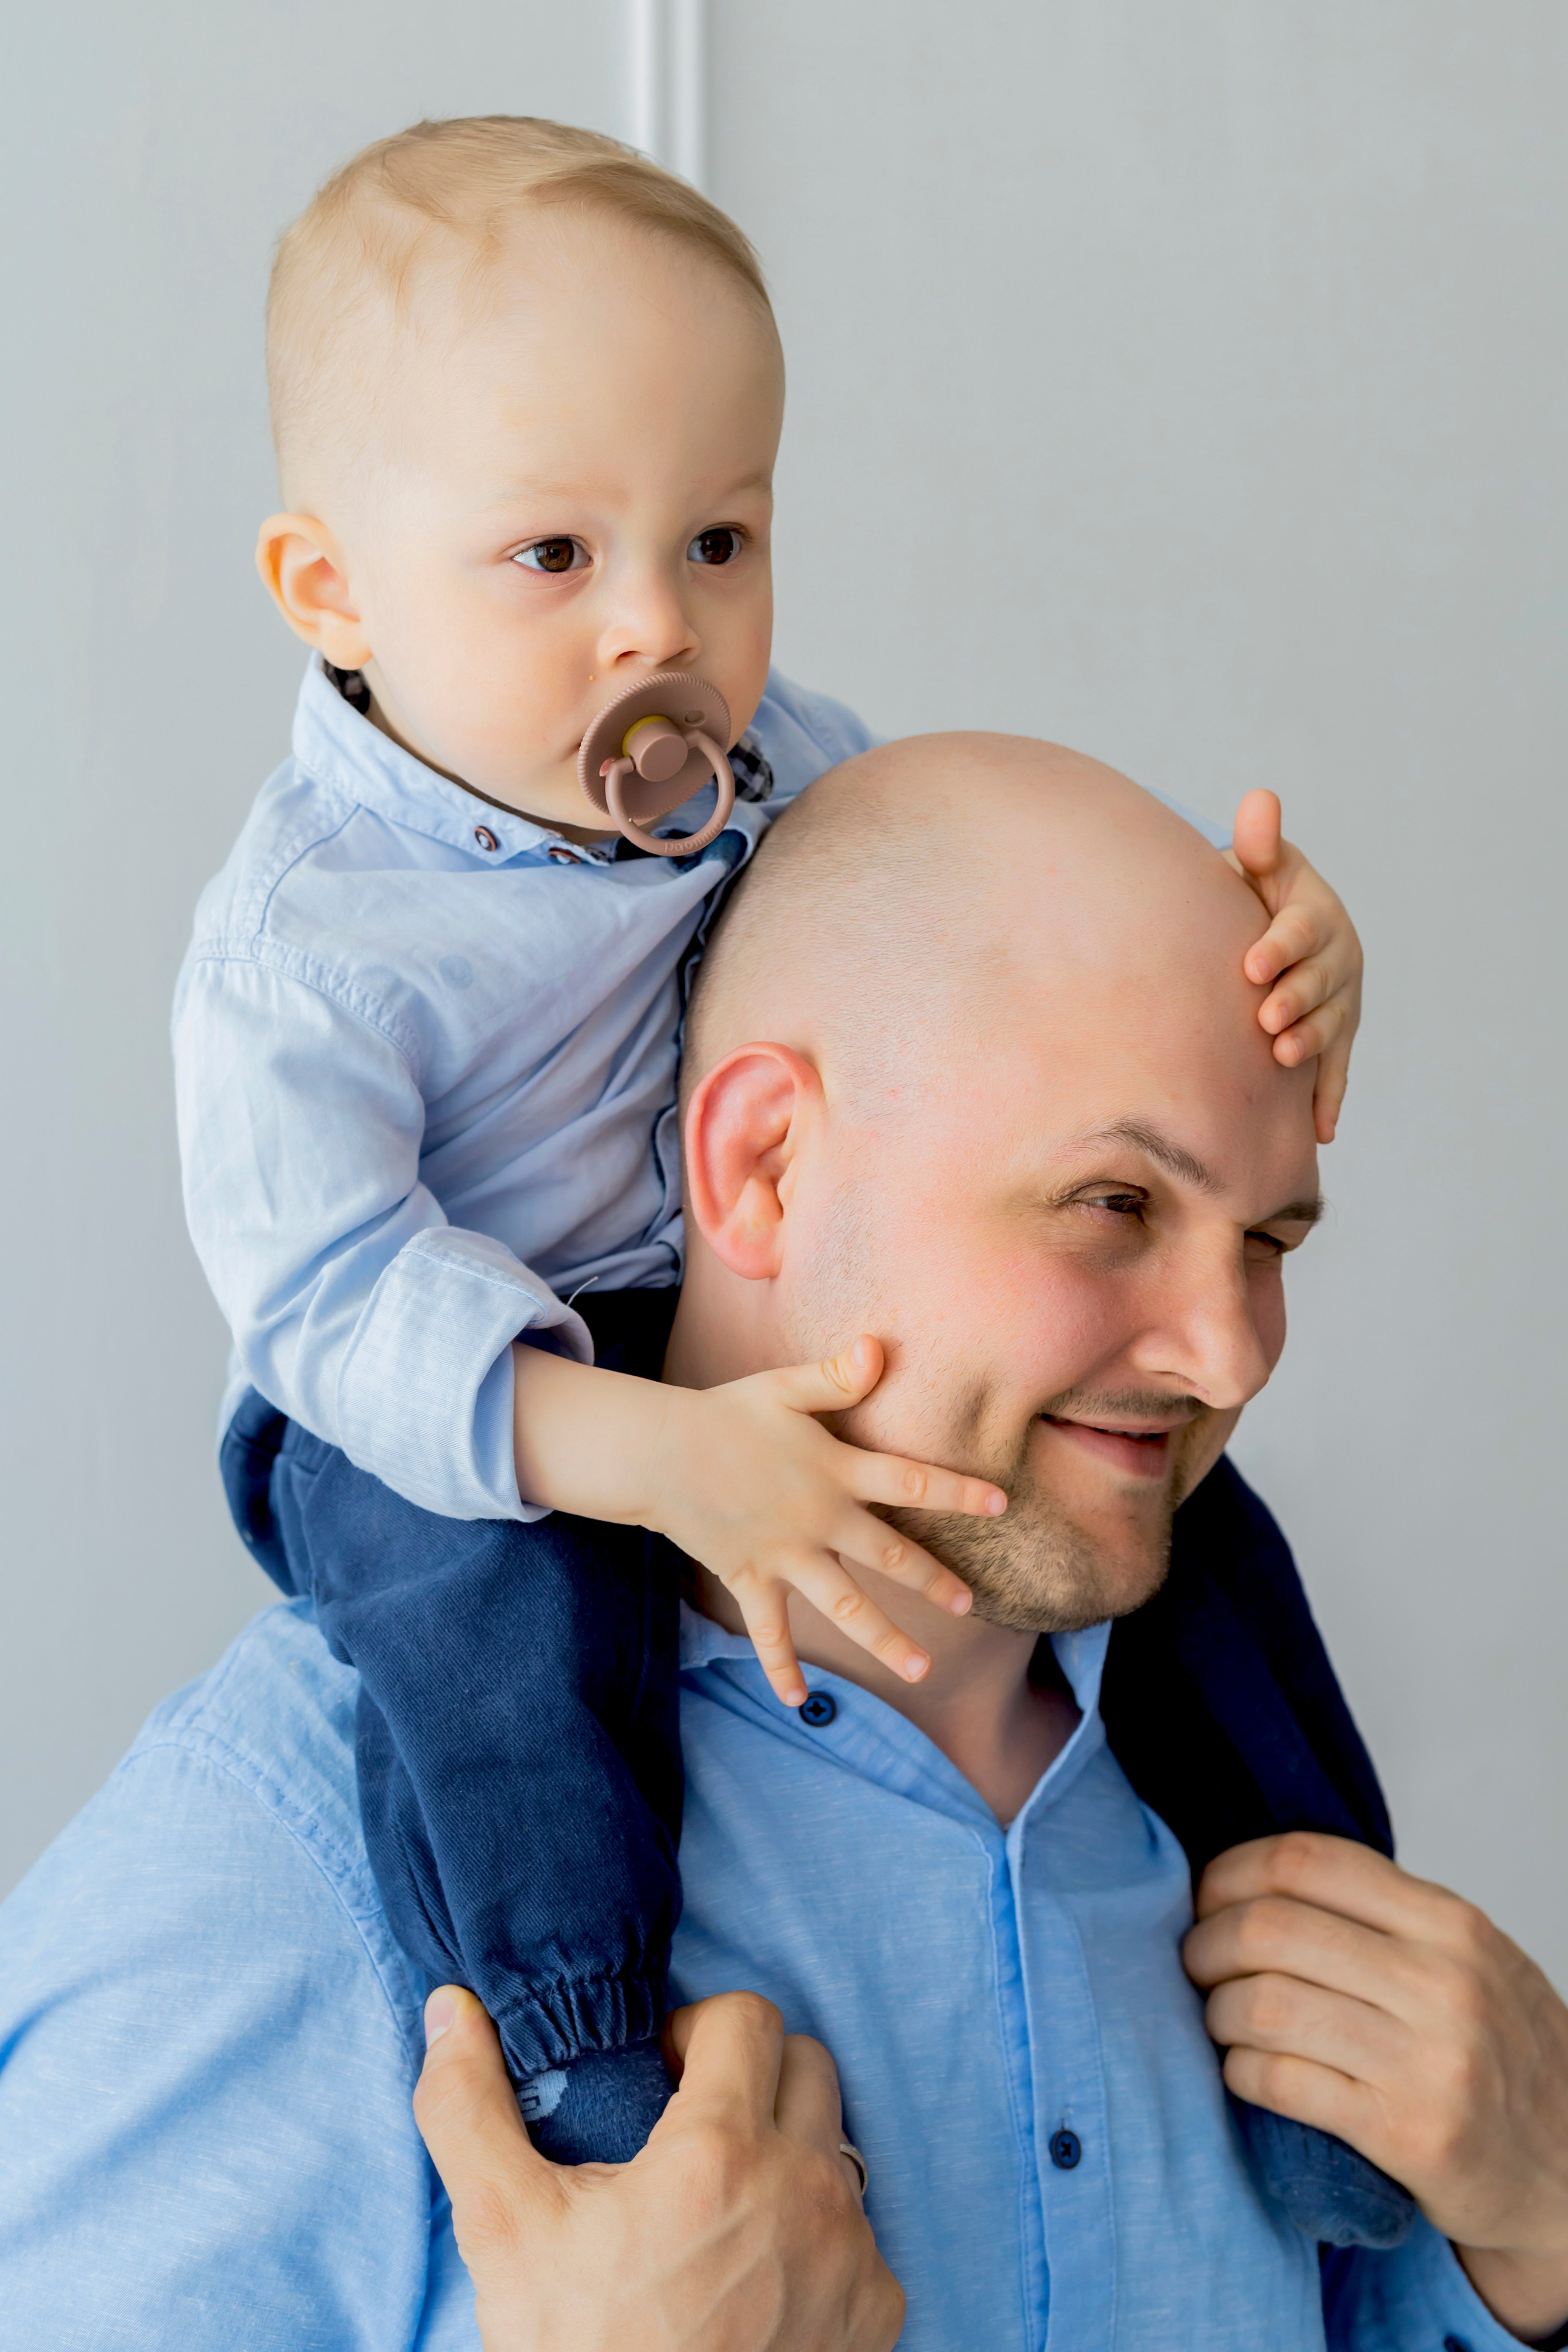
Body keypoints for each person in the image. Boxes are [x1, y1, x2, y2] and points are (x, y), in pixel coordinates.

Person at [5, 736, 1566, 2350]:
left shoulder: (1237, 1787)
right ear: (762, 1164)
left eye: (1268, 1240)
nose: (1232, 1355)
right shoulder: (292, 1851)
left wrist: (1542, 2228)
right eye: (1116, 1206)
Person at [176, 110, 1364, 2167]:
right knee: (507, 1647)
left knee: (1217, 1558)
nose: (660, 628)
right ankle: (582, 2057)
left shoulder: (752, 758)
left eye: (718, 542)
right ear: (332, 591)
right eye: (557, 554)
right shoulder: (318, 950)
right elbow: (326, 1300)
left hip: (671, 1325)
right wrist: (634, 1451)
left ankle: (1340, 1998)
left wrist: (1279, 949)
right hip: (432, 1404)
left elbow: (952, 928)